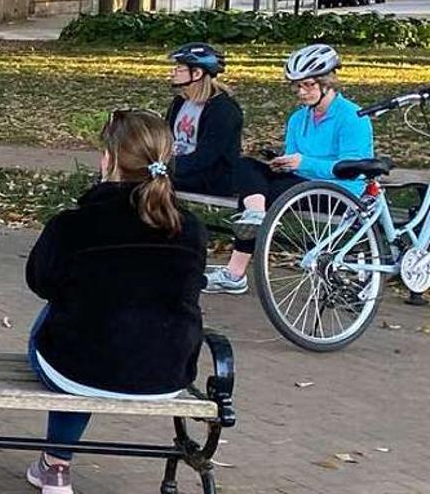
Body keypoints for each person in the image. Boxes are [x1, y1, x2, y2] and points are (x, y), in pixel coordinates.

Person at [24, 110, 205, 494]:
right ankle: (53, 464)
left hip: (80, 366)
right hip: (166, 371)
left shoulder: (73, 224)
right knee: (94, 330)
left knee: (72, 329)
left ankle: (57, 465)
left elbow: (39, 282)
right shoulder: (190, 229)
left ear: (108, 160)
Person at [204, 42, 376, 295]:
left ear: (328, 82)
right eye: (298, 86)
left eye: (309, 85)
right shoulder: (298, 118)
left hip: (340, 191)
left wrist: (303, 163)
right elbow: (294, 158)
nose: (302, 92)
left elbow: (353, 169)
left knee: (264, 193)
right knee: (246, 167)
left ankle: (235, 272)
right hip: (302, 182)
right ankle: (254, 216)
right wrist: (282, 162)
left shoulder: (352, 116)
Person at [164, 42, 245, 197]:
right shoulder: (180, 102)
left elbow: (206, 157)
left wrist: (168, 168)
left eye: (179, 69)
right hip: (179, 169)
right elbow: (167, 137)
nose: (173, 73)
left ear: (197, 73)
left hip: (210, 179)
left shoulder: (223, 110)